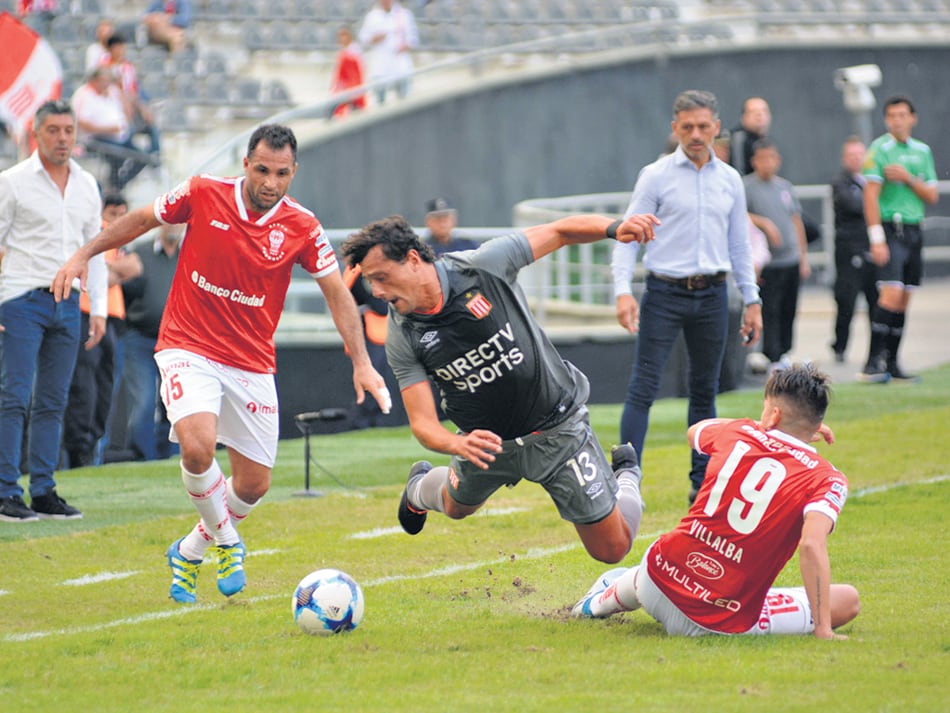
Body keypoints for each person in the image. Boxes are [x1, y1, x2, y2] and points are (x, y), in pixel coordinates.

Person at [53, 124, 390, 602]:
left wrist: (361, 362)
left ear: (293, 172)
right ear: (246, 164)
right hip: (187, 345)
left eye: (281, 173)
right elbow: (143, 220)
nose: (270, 182)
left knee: (254, 484)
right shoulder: (203, 192)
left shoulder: (302, 226)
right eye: (262, 170)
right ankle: (229, 542)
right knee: (197, 449)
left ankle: (189, 550)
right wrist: (82, 256)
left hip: (251, 361)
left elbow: (336, 292)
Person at [341, 212, 660, 564]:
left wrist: (615, 228)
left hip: (557, 429)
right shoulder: (403, 335)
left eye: (382, 277)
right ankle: (418, 488)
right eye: (371, 282)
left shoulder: (483, 266)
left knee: (612, 550)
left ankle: (627, 475)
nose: (377, 291)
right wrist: (457, 443)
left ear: (413, 260)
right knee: (455, 506)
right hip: (484, 444)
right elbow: (423, 423)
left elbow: (560, 231)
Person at [573, 363, 861, 639]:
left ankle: (600, 601)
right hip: (715, 620)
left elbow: (694, 432)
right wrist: (823, 629)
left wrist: (760, 427)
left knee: (657, 569)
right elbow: (811, 544)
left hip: (655, 577)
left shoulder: (739, 431)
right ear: (817, 424)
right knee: (848, 600)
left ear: (772, 415)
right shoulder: (827, 478)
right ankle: (611, 593)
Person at [611, 89, 762, 506]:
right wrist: (623, 291)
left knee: (704, 391)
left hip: (713, 294)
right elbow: (627, 238)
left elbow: (740, 247)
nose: (696, 134)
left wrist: (752, 300)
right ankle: (625, 483)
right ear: (674, 128)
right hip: (663, 291)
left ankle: (701, 483)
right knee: (643, 387)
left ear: (716, 127)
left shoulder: (730, 179)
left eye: (703, 126)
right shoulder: (655, 175)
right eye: (687, 127)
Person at [0, 99, 105, 522]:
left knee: (53, 401)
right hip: (21, 296)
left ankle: (43, 489)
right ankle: (7, 489)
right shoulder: (13, 182)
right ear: (36, 134)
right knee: (14, 397)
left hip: (67, 303)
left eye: (68, 130)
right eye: (54, 130)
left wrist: (96, 306)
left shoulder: (87, 184)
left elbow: (94, 250)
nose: (62, 138)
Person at [858, 95, 938, 384]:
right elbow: (871, 195)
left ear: (912, 118)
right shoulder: (879, 150)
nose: (897, 120)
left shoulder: (922, 151)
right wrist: (876, 237)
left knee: (904, 297)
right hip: (892, 228)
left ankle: (893, 361)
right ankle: (872, 361)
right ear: (886, 120)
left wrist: (908, 178)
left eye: (902, 115)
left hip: (914, 229)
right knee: (889, 293)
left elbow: (931, 194)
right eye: (892, 115)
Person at [62, 192, 139, 468]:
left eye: (123, 214)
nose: (119, 219)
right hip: (85, 313)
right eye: (113, 213)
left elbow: (133, 267)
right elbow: (99, 273)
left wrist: (106, 271)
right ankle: (79, 451)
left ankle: (90, 448)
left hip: (111, 318)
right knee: (85, 388)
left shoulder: (116, 236)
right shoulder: (94, 231)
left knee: (104, 389)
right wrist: (106, 272)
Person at [114, 223, 182, 462]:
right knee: (143, 400)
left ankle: (171, 458)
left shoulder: (191, 253)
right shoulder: (139, 253)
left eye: (180, 220)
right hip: (140, 337)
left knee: (175, 402)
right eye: (171, 220)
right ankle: (142, 458)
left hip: (177, 342)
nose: (175, 225)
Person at [744, 138, 810, 372]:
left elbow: (796, 220)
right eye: (762, 158)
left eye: (771, 157)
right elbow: (741, 216)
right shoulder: (747, 187)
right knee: (769, 308)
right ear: (754, 161)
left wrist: (803, 256)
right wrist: (765, 224)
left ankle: (784, 352)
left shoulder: (785, 187)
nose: (768, 163)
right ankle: (770, 355)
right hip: (767, 263)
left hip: (790, 258)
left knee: (788, 308)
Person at [831, 136, 878, 363]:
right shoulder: (841, 182)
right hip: (849, 251)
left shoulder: (870, 180)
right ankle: (840, 346)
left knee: (876, 300)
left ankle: (877, 350)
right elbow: (854, 205)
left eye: (860, 155)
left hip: (873, 249)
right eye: (851, 155)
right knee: (846, 300)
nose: (856, 160)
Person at [71, 66, 153, 191]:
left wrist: (119, 90)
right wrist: (108, 129)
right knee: (118, 156)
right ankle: (112, 187)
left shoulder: (112, 91)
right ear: (94, 80)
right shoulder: (84, 94)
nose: (106, 83)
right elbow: (80, 122)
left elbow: (128, 112)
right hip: (96, 139)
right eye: (103, 80)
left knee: (143, 157)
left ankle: (118, 186)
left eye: (108, 80)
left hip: (120, 138)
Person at [342, 263, 391, 428]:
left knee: (378, 383)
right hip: (367, 333)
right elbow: (377, 304)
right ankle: (361, 423)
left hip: (378, 332)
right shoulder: (358, 271)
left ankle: (374, 421)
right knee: (367, 386)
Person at [100, 33, 161, 158]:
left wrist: (143, 108)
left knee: (151, 124)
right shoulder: (104, 65)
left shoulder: (128, 66)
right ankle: (131, 156)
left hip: (130, 105)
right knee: (127, 130)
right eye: (119, 47)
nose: (122, 51)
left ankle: (154, 156)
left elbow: (133, 90)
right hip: (113, 107)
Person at [358, 0, 419, 105]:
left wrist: (406, 45)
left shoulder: (404, 15)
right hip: (380, 67)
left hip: (400, 66)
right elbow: (363, 37)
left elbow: (413, 39)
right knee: (380, 102)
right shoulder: (372, 17)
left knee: (405, 103)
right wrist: (374, 38)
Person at [329, 25, 367, 119]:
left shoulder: (353, 53)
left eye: (344, 35)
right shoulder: (344, 53)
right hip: (345, 91)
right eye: (340, 36)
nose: (341, 38)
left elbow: (355, 75)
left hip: (352, 94)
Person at [729, 96, 771, 176]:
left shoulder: (766, 140)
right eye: (753, 112)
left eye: (764, 111)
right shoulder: (738, 140)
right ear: (744, 117)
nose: (759, 116)